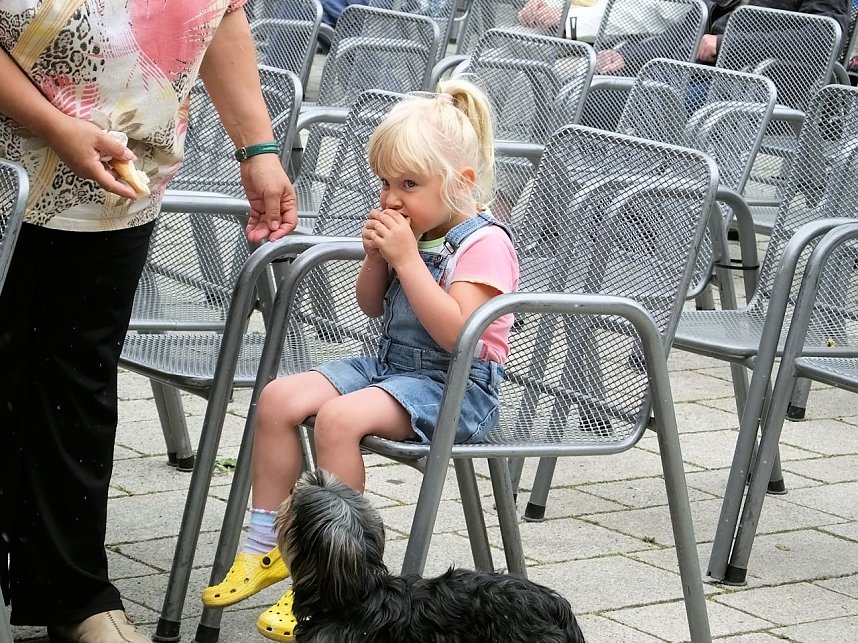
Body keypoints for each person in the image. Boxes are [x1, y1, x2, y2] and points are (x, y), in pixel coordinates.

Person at [0, 2, 297, 642]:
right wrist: (55, 125)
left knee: (77, 382)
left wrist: (259, 147)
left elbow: (215, 17)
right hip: (10, 166)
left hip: (117, 186)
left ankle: (72, 594)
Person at [201, 78, 519, 642]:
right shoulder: (412, 231)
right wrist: (378, 259)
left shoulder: (484, 243)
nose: (391, 197)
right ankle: (264, 546)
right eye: (384, 183)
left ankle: (339, 578)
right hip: (392, 366)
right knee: (278, 398)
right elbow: (371, 307)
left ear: (461, 184)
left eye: (408, 184)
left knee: (339, 419)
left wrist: (409, 261)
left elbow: (458, 335)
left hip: (455, 387)